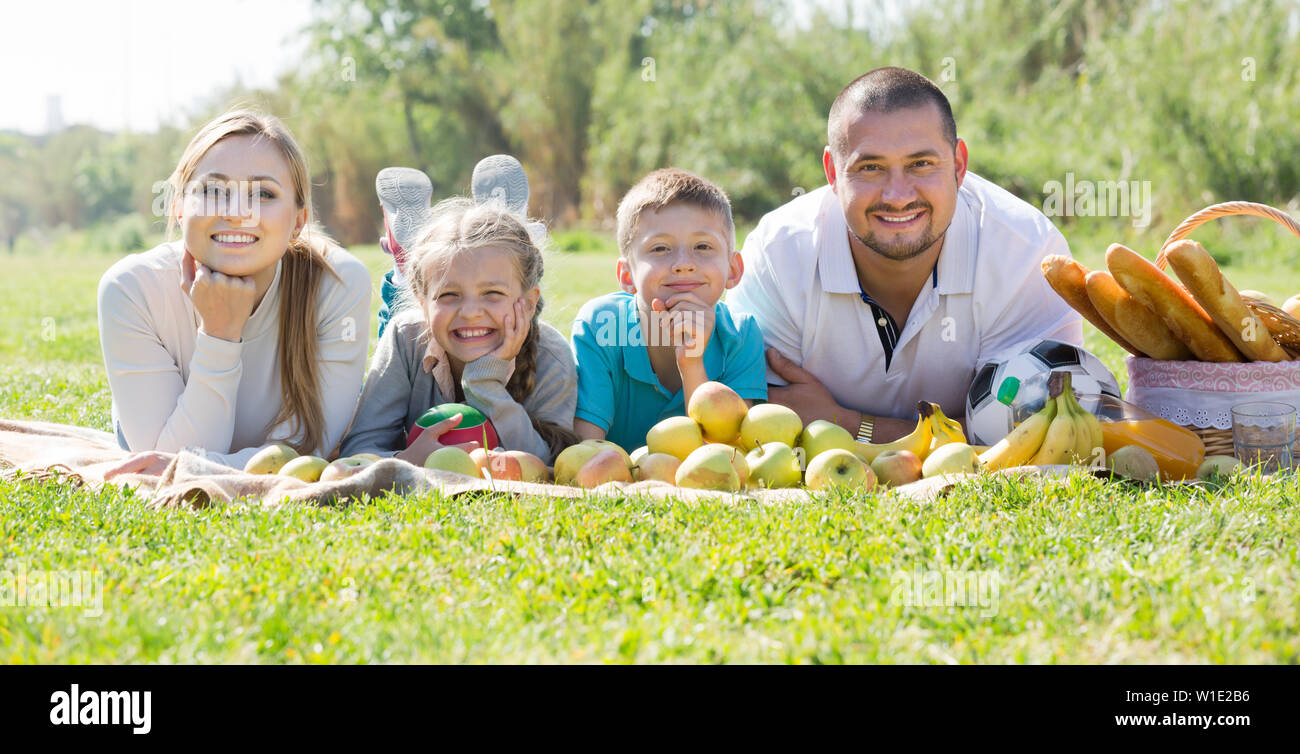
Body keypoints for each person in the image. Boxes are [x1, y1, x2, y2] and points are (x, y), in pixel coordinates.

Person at [726, 66, 1082, 444]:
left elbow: (1039, 432)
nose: (898, 196)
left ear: (959, 165)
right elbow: (752, 422)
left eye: (920, 164)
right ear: (832, 172)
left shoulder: (1024, 251)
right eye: (871, 167)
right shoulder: (780, 255)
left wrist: (845, 423)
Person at [98, 110, 371, 477]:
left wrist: (205, 468)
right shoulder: (131, 289)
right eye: (212, 191)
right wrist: (219, 334)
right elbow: (164, 465)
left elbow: (306, 451)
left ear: (298, 221)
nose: (237, 213)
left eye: (263, 193)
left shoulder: (339, 284)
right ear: (178, 208)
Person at [339, 198, 578, 464]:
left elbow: (546, 464)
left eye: (492, 293)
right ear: (423, 304)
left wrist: (484, 383)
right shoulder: (405, 338)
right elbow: (358, 450)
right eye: (449, 294)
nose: (470, 312)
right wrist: (407, 459)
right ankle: (399, 267)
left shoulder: (551, 356)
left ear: (530, 302)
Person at [570, 168, 767, 452]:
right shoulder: (600, 325)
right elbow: (585, 453)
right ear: (627, 275)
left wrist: (692, 365)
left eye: (703, 246)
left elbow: (726, 458)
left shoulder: (741, 335)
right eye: (661, 248)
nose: (683, 263)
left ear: (734, 270)